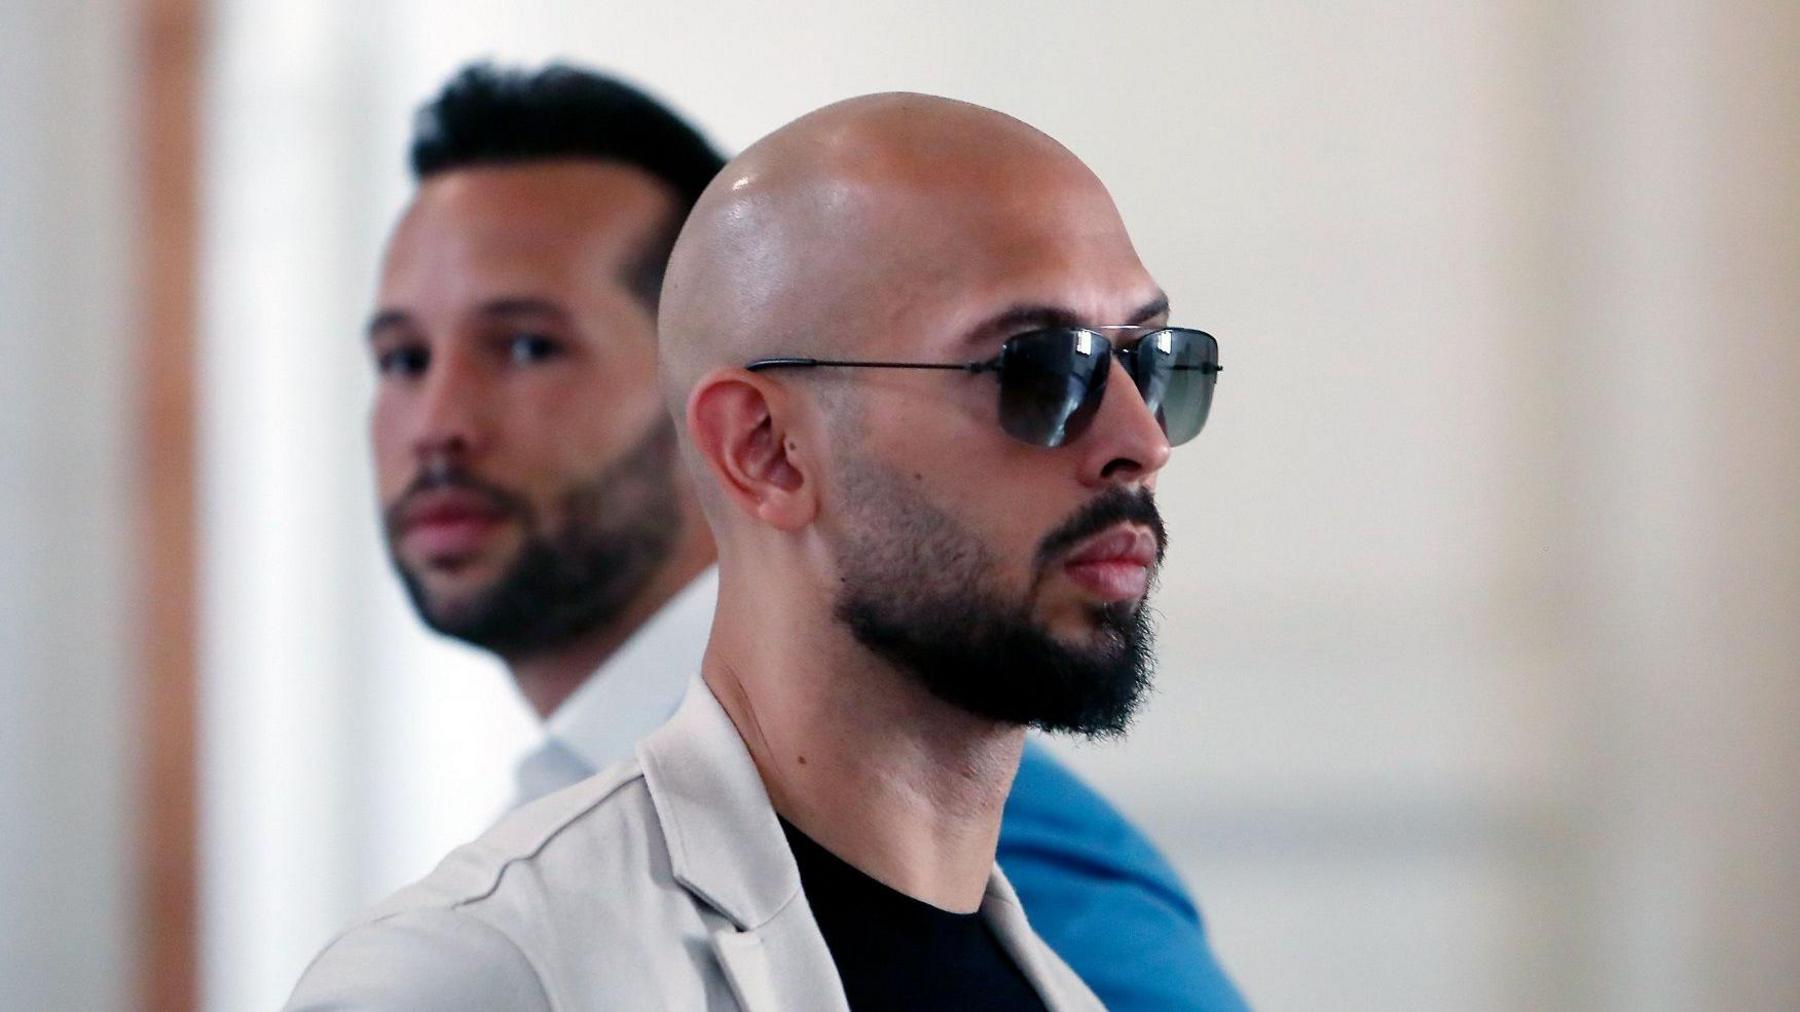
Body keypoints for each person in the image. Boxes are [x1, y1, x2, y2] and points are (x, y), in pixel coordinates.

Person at [321, 64, 1242, 1010]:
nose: (1142, 443)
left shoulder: (1034, 887)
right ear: (760, 446)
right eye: (1036, 368)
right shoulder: (479, 957)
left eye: (525, 345)